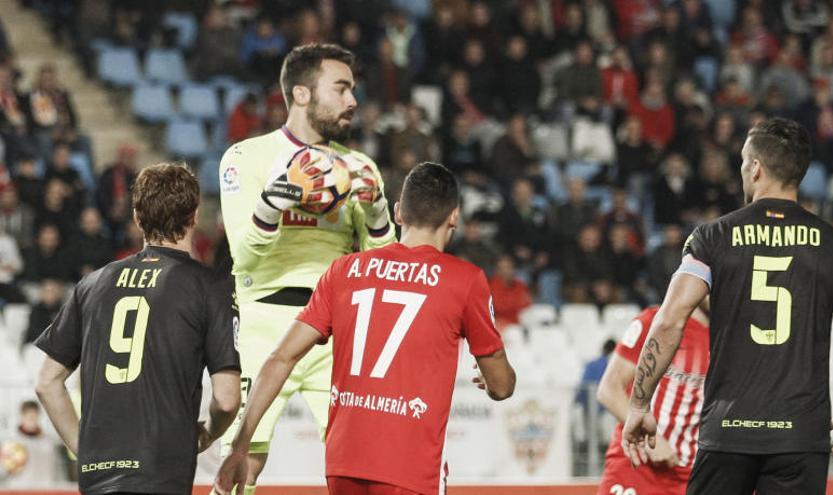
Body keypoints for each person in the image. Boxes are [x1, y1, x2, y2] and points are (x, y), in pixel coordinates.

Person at [214, 162, 516, 495]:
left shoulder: (344, 270)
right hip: (411, 469)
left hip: (344, 464)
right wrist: (491, 379)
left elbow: (280, 358)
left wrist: (240, 446)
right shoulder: (465, 280)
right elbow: (502, 386)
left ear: (398, 213)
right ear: (455, 217)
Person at [622, 118, 833, 495]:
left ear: (755, 167)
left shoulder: (712, 237)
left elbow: (669, 321)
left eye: (744, 162)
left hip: (727, 430)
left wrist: (639, 405)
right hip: (801, 435)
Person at [218, 43, 395, 493]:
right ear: (301, 93)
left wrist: (376, 215)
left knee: (361, 465)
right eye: (341, 89)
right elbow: (244, 255)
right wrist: (275, 200)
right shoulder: (246, 157)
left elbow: (382, 268)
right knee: (242, 466)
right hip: (263, 324)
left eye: (353, 90)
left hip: (338, 328)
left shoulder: (360, 167)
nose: (353, 101)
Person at [33, 163, 241, 494]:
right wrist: (209, 433)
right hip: (161, 469)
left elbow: (47, 383)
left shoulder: (92, 284)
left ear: (137, 217)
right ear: (194, 215)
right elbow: (228, 399)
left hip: (97, 473)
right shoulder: (209, 287)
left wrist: (85, 449)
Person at [597, 305, 709, 495]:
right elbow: (609, 389)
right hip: (637, 464)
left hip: (692, 473)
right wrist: (653, 440)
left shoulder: (732, 336)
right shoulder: (656, 321)